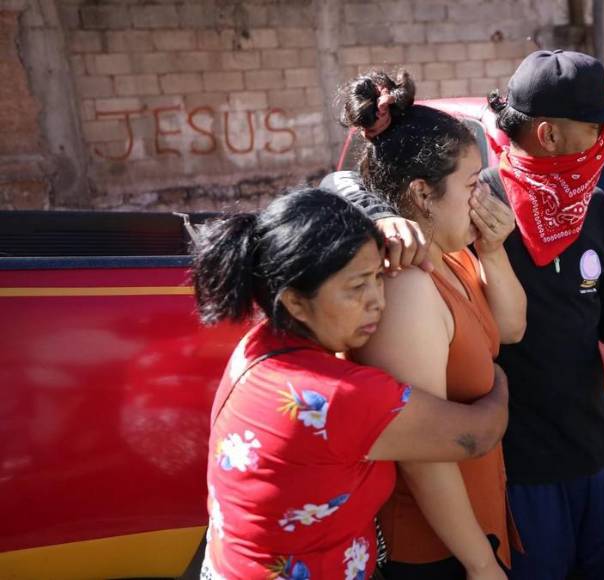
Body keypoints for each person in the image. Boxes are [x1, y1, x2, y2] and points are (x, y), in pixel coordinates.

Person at [328, 52, 604, 579]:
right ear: (549, 134)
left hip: (598, 451)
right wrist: (380, 215)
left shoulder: (591, 206)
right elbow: (343, 184)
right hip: (519, 472)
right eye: (595, 127)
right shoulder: (470, 208)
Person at [191, 188, 510, 580]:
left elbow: (342, 179)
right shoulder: (333, 399)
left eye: (379, 277)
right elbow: (479, 434)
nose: (378, 300)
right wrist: (497, 375)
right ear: (294, 301)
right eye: (357, 287)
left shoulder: (256, 345)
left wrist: (380, 214)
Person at [335, 71, 526, 580]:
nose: (480, 197)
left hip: (474, 518)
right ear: (422, 193)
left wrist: (492, 247)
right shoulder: (408, 288)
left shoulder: (454, 254)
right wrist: (480, 563)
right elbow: (421, 453)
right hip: (434, 546)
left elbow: (510, 329)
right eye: (470, 185)